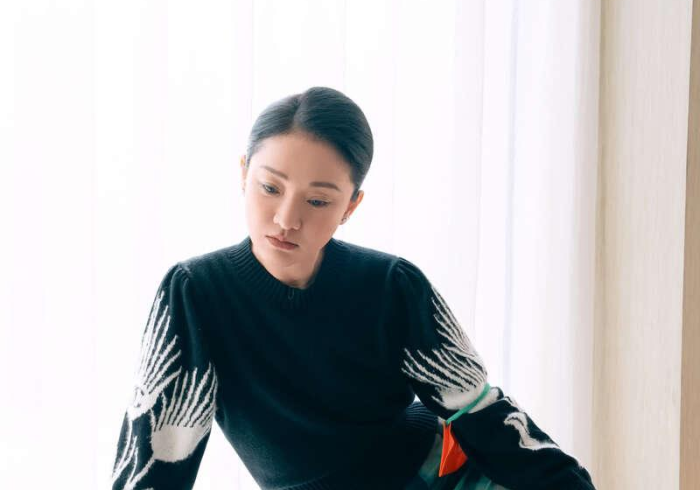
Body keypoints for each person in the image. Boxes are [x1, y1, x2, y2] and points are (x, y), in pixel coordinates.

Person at [110, 86, 596, 490]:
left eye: (318, 201)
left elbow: (478, 409)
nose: (286, 219)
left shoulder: (390, 285)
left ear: (350, 206)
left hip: (448, 476)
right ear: (243, 174)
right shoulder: (195, 293)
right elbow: (158, 452)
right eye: (270, 187)